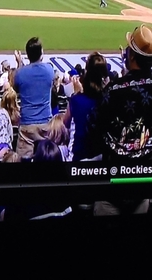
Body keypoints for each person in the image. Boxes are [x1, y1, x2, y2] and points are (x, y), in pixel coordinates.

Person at [93, 24, 152, 215]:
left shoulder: (113, 90)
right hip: (143, 186)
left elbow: (93, 128)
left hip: (112, 187)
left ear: (132, 56)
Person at [63, 52, 109, 161]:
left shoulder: (76, 100)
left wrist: (76, 94)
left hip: (78, 162)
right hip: (101, 161)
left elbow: (66, 123)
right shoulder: (109, 100)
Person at [14, 37, 54, 158]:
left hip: (27, 125)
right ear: (41, 53)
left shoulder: (20, 73)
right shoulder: (49, 70)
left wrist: (19, 63)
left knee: (23, 162)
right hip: (46, 123)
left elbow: (15, 88)